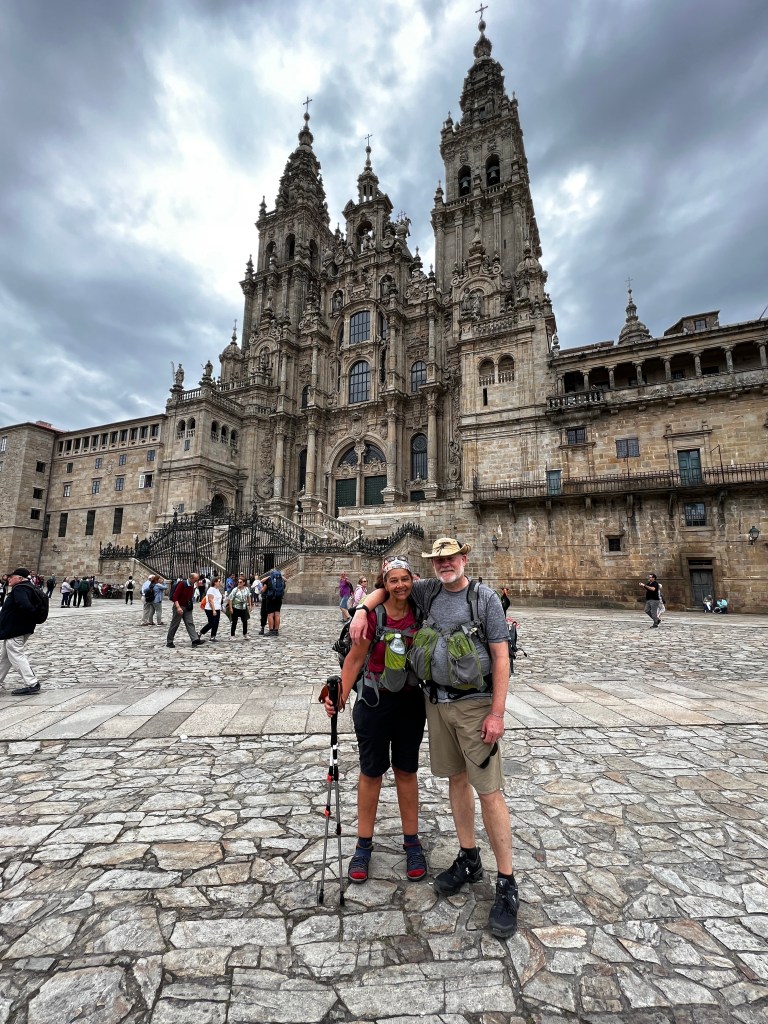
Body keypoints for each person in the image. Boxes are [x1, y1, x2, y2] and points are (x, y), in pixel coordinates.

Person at [350, 536, 517, 939]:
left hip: (475, 707)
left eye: (451, 558)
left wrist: (497, 713)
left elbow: (501, 656)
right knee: (456, 782)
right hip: (437, 705)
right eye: (438, 560)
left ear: (464, 559)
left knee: (489, 791)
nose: (445, 564)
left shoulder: (485, 598)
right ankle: (468, 857)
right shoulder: (428, 591)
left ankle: (507, 882)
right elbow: (388, 585)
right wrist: (361, 608)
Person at [324, 556, 427, 884]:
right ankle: (363, 845)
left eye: (405, 578)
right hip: (374, 702)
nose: (400, 585)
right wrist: (339, 698)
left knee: (406, 772)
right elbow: (354, 660)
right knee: (371, 773)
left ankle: (412, 842)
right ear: (385, 583)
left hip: (410, 703)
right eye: (393, 580)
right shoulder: (373, 616)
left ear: (412, 580)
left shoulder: (421, 611)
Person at [0, 568, 42, 696]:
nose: (9, 579)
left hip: (16, 629)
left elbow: (26, 606)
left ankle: (32, 683)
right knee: (5, 657)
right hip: (18, 628)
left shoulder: (20, 589)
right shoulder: (28, 587)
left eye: (11, 576)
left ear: (19, 578)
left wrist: (21, 621)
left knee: (16, 655)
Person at [166, 573, 205, 649]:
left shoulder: (191, 585)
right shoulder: (182, 584)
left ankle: (195, 639)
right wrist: (178, 607)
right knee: (175, 624)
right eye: (195, 580)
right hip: (179, 606)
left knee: (190, 623)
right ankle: (169, 641)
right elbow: (175, 596)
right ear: (191, 578)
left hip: (187, 607)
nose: (196, 581)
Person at [261, 568, 286, 636]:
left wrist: (269, 576)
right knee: (277, 614)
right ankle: (276, 631)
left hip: (270, 598)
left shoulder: (269, 579)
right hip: (279, 598)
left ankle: (271, 630)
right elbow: (285, 582)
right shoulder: (281, 580)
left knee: (270, 615)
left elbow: (261, 583)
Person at [227, 575, 253, 640]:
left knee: (245, 621)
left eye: (240, 582)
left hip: (243, 607)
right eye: (238, 582)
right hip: (236, 607)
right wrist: (231, 608)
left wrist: (250, 605)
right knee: (234, 622)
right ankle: (232, 635)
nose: (239, 583)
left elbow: (249, 596)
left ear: (244, 583)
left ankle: (245, 634)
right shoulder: (235, 590)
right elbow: (230, 599)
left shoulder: (246, 589)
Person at [199, 575, 223, 641]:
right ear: (215, 582)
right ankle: (200, 633)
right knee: (211, 623)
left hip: (217, 608)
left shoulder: (217, 590)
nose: (220, 583)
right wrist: (213, 610)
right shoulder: (211, 589)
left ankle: (213, 636)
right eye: (219, 581)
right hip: (210, 609)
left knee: (216, 623)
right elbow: (210, 600)